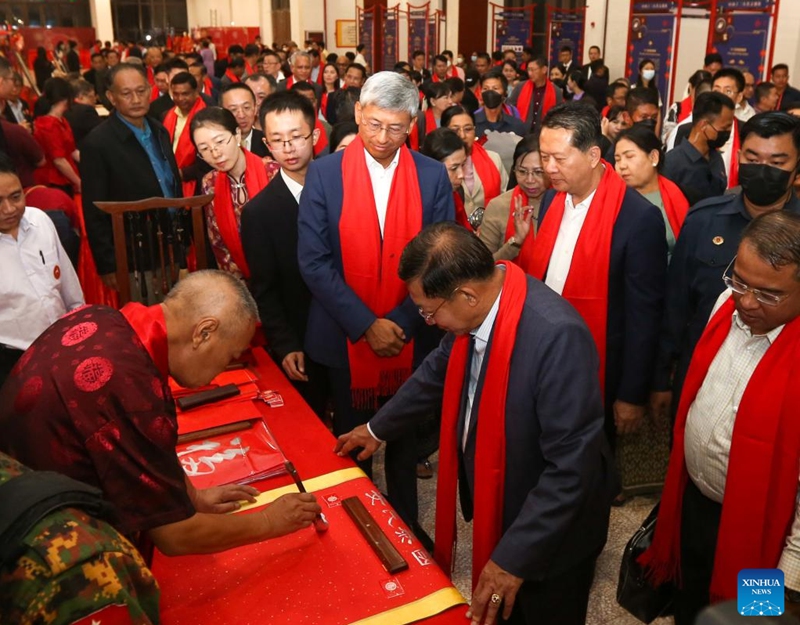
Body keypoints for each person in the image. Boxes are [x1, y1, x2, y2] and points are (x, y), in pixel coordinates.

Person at [335, 221, 616, 625]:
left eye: (429, 313)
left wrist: (512, 558)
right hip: (502, 497)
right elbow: (436, 374)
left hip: (552, 528)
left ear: (467, 294)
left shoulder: (556, 337)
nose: (428, 322)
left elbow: (571, 469)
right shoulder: (482, 307)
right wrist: (375, 429)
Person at [0, 270, 322, 560]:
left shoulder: (108, 316)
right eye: (231, 355)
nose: (222, 371)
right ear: (204, 333)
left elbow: (142, 450)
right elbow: (174, 535)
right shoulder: (129, 386)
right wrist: (268, 521)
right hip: (37, 536)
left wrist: (190, 496)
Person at [297, 71, 453, 532]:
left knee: (403, 443)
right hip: (343, 335)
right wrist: (367, 325)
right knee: (352, 440)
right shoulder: (325, 173)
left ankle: (406, 525)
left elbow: (440, 256)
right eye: (374, 124)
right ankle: (359, 530)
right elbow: (313, 261)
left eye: (396, 128)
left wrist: (400, 323)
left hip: (412, 332)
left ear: (412, 125)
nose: (383, 138)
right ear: (359, 114)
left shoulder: (431, 175)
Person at [643, 211, 800, 625]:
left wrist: (790, 582)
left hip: (765, 538)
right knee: (691, 604)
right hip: (695, 505)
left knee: (750, 621)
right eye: (740, 281)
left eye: (768, 294)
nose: (746, 301)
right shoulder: (722, 306)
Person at [524, 102, 667, 453]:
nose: (548, 168)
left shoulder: (637, 219)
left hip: (599, 370)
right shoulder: (553, 201)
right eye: (544, 157)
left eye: (559, 158)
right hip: (543, 358)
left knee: (586, 470)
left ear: (591, 155)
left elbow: (644, 316)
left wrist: (631, 395)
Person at [651, 111, 800, 424]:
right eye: (753, 157)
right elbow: (676, 306)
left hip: (780, 384)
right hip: (701, 373)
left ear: (796, 168)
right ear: (738, 157)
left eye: (776, 163)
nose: (762, 169)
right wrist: (661, 378)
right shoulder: (704, 219)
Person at [241, 91, 326, 417]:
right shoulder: (259, 212)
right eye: (278, 140)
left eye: (296, 137)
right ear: (267, 144)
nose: (288, 148)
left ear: (315, 135)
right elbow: (265, 287)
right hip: (301, 335)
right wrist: (286, 344)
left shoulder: (344, 189)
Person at [81, 63, 181, 293]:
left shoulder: (159, 129)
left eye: (141, 91)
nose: (136, 99)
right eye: (126, 93)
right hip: (133, 253)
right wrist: (107, 264)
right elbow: (94, 209)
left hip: (169, 244)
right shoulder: (98, 143)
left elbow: (170, 182)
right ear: (111, 97)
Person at [0, 153, 83, 385]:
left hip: (64, 346)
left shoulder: (40, 221)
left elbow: (69, 288)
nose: (9, 209)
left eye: (16, 197)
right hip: (13, 362)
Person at [193, 107, 274, 279]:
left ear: (237, 135)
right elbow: (218, 243)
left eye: (220, 142)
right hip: (240, 280)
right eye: (205, 149)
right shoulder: (210, 182)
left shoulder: (273, 172)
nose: (215, 153)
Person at [614, 125, 689, 260]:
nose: (622, 165)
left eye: (629, 156)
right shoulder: (613, 200)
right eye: (617, 159)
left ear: (654, 157)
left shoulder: (675, 195)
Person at [480, 134, 548, 261]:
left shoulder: (563, 203)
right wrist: (516, 241)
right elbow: (483, 267)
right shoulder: (498, 206)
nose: (530, 180)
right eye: (522, 171)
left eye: (538, 172)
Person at [663, 91, 734, 205]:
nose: (727, 133)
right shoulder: (671, 163)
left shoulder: (716, 158)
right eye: (724, 128)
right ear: (704, 125)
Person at [442, 105, 508, 218]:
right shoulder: (438, 163)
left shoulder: (493, 159)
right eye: (455, 130)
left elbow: (505, 200)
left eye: (468, 129)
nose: (462, 135)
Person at [32, 78, 81, 197]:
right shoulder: (49, 125)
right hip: (53, 180)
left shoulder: (62, 121)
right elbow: (59, 161)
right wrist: (78, 181)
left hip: (66, 176)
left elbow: (72, 151)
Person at [163, 71, 207, 198]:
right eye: (176, 94)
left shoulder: (207, 117)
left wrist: (182, 173)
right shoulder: (167, 115)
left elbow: (210, 160)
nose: (180, 98)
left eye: (185, 94)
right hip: (170, 182)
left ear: (196, 92)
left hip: (197, 185)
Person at [420, 127, 470, 229]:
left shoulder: (457, 192)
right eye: (454, 168)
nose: (461, 175)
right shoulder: (419, 200)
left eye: (463, 165)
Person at [508, 55, 564, 135]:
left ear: (544, 70)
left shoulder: (556, 91)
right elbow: (509, 108)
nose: (530, 73)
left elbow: (559, 117)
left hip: (544, 135)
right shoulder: (520, 87)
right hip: (521, 134)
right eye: (528, 70)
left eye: (533, 70)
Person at [220, 82, 268, 157]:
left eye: (246, 107)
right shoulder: (215, 146)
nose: (241, 115)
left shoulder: (267, 142)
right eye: (233, 109)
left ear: (255, 109)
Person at [474, 71, 526, 139]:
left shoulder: (516, 125)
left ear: (505, 93)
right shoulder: (472, 123)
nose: (490, 92)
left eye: (495, 88)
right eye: (485, 88)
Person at [663, 70, 712, 141]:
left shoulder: (715, 110)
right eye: (699, 89)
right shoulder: (677, 109)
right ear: (691, 87)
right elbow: (666, 135)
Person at [64, 78, 102, 150]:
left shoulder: (66, 108)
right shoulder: (85, 111)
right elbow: (103, 132)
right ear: (80, 97)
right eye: (91, 97)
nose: (95, 100)